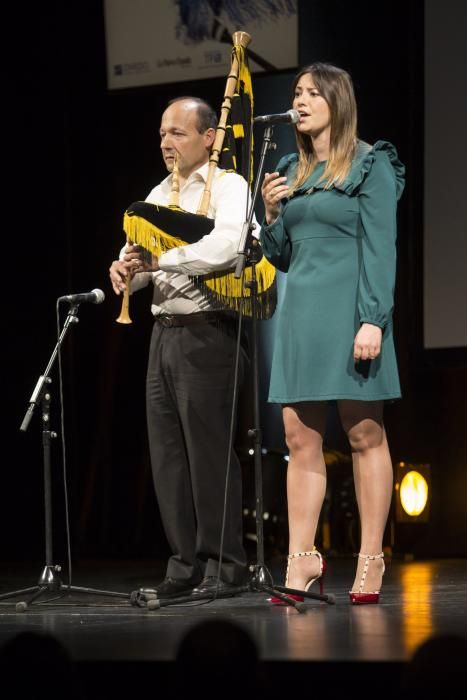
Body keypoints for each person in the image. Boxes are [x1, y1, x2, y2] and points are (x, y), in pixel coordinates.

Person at [260, 63, 405, 604]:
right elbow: (282, 257)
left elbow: (381, 246)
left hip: (352, 313)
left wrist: (373, 318)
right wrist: (272, 212)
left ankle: (371, 557)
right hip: (301, 315)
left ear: (337, 102)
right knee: (300, 439)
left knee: (364, 434)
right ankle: (302, 558)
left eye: (312, 93)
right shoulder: (288, 171)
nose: (300, 101)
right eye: (296, 93)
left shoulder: (371, 164)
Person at [109, 97, 252, 598]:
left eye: (178, 133)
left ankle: (224, 566)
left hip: (208, 331)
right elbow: (141, 260)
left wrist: (162, 261)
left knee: (209, 454)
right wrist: (126, 270)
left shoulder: (230, 188)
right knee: (167, 455)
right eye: (162, 134)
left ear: (209, 137)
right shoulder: (159, 191)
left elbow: (229, 247)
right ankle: (183, 565)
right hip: (163, 334)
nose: (167, 143)